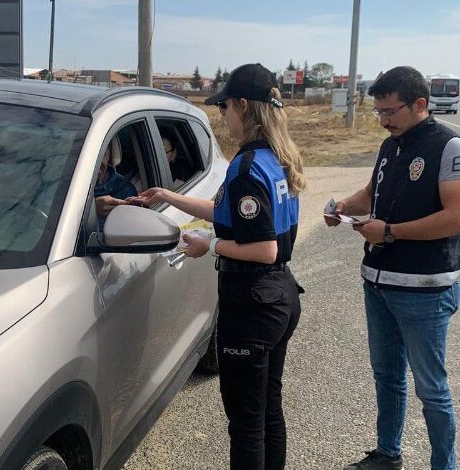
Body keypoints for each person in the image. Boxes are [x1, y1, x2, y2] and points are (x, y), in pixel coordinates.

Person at [130, 63, 306, 470]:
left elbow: (262, 248)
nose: (222, 116)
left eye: (224, 107)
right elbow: (236, 215)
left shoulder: (245, 168)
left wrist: (210, 245)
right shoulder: (276, 159)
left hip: (253, 302)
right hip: (280, 295)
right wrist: (170, 197)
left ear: (242, 106)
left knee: (245, 424)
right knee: (267, 410)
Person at [325, 66, 460, 470]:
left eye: (390, 110)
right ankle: (388, 454)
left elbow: (457, 217)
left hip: (424, 288)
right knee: (387, 378)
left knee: (432, 389)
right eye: (378, 112)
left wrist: (389, 232)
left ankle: (444, 466)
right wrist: (342, 207)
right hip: (378, 283)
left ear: (420, 104)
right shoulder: (390, 144)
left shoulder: (451, 147)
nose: (384, 119)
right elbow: (371, 192)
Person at [94, 135, 137, 221]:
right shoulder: (63, 187)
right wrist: (92, 209)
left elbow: (131, 228)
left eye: (102, 154)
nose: (96, 162)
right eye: (91, 156)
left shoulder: (125, 190)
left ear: (109, 154)